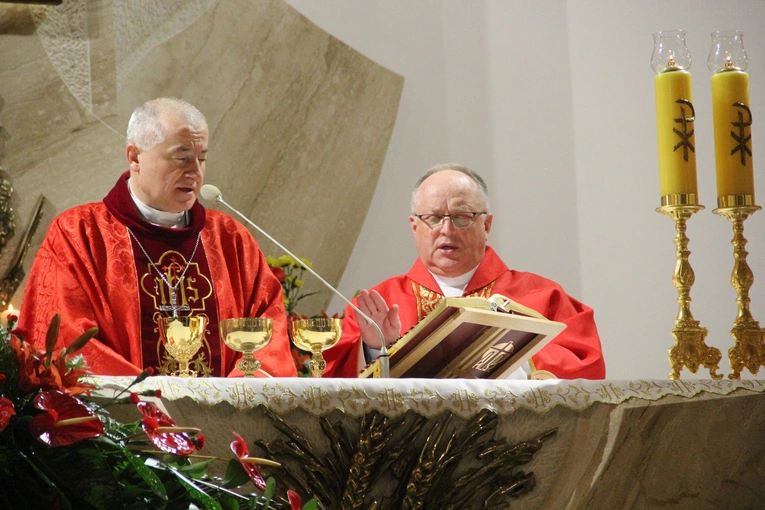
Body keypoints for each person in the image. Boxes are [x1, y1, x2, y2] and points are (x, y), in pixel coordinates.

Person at [17, 97, 296, 377]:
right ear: (135, 157)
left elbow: (267, 327)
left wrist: (229, 400)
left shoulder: (230, 238)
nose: (195, 172)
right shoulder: (79, 233)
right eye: (181, 158)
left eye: (201, 158)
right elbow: (65, 340)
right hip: (128, 416)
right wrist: (149, 400)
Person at [324, 163, 605, 379]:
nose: (446, 230)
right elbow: (334, 386)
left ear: (486, 225)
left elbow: (586, 366)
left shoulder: (543, 297)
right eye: (433, 218)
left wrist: (505, 358)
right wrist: (376, 350)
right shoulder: (379, 305)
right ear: (414, 226)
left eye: (461, 217)